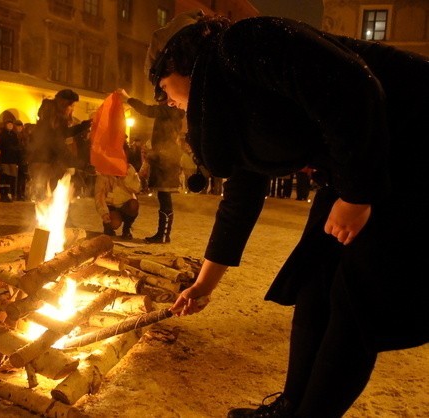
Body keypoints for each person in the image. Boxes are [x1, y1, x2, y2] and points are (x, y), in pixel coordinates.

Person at [147, 10, 429, 418]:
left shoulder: (244, 43)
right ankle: (291, 406)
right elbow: (240, 200)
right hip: (356, 165)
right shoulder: (228, 109)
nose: (168, 102)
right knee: (315, 281)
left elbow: (355, 86)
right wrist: (204, 285)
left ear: (176, 62)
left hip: (413, 150)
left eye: (161, 90)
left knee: (354, 299)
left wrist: (357, 195)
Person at [116, 88, 185, 244]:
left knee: (165, 198)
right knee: (163, 198)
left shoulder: (170, 110)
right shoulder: (172, 111)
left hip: (166, 162)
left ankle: (163, 235)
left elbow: (147, 110)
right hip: (163, 160)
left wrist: (128, 98)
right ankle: (163, 234)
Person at [28, 89, 92, 200]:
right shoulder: (52, 123)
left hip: (45, 163)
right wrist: (83, 165)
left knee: (49, 200)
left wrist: (84, 126)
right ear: (64, 105)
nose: (72, 109)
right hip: (45, 165)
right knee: (48, 200)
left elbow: (65, 133)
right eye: (71, 106)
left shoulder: (52, 120)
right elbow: (60, 147)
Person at [94, 159, 141, 240]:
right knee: (114, 223)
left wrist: (125, 177)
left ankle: (127, 228)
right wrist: (104, 213)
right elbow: (99, 195)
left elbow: (137, 188)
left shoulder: (129, 169)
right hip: (111, 206)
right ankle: (108, 226)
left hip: (126, 205)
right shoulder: (104, 173)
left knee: (134, 205)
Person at [0, 119, 19, 202]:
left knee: (10, 178)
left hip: (12, 159)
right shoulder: (2, 134)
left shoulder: (14, 134)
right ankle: (2, 195)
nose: (10, 126)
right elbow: (1, 146)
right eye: (8, 124)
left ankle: (7, 194)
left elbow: (17, 146)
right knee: (4, 177)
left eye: (11, 124)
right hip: (4, 159)